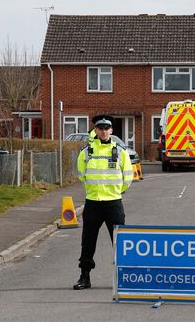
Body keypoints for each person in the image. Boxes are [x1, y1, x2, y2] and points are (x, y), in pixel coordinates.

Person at [73, 115, 133, 290]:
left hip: (113, 203)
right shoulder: (87, 151)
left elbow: (127, 177)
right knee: (88, 242)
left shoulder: (120, 151)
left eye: (107, 128)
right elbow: (81, 175)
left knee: (120, 242)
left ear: (112, 131)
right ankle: (84, 277)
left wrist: (116, 191)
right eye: (100, 128)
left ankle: (125, 278)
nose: (104, 131)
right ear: (95, 130)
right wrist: (94, 190)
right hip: (93, 203)